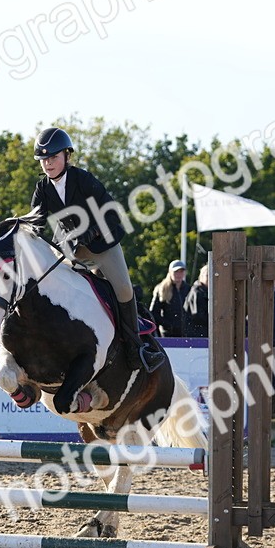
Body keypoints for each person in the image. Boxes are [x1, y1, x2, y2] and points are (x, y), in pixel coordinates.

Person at [29, 126, 164, 372]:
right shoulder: (43, 189)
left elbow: (112, 212)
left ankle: (136, 349)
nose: (48, 164)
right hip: (73, 251)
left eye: (54, 158)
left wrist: (92, 230)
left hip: (103, 245)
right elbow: (36, 222)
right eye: (44, 160)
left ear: (67, 156)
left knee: (122, 289)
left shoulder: (84, 180)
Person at [150, 260, 189, 337]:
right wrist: (168, 325)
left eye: (181, 271)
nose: (179, 274)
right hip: (167, 334)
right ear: (170, 272)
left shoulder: (188, 289)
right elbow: (153, 313)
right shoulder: (161, 289)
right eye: (176, 271)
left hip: (185, 333)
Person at [183, 263, 210, 338]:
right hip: (197, 335)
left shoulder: (209, 292)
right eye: (208, 275)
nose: (211, 278)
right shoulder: (197, 292)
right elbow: (197, 315)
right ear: (201, 277)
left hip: (204, 333)